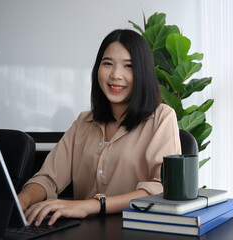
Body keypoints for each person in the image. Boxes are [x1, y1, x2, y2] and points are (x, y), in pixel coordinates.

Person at [18, 29, 181, 226]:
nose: (116, 75)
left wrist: (92, 205)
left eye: (128, 66)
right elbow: (47, 178)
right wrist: (21, 201)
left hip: (138, 231)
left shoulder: (162, 117)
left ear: (143, 72)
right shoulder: (83, 122)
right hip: (84, 231)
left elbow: (161, 188)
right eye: (107, 64)